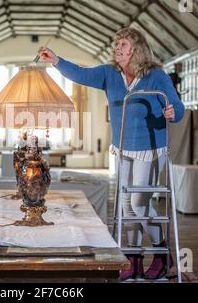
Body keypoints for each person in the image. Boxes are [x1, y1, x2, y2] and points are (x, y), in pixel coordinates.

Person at [38, 27, 185, 281]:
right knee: (130, 206)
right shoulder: (109, 74)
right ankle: (135, 260)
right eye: (116, 44)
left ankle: (161, 255)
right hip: (122, 148)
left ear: (136, 49)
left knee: (138, 204)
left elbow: (177, 105)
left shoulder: (156, 76)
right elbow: (81, 74)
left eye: (123, 45)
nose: (117, 49)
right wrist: (57, 61)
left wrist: (173, 112)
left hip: (150, 148)